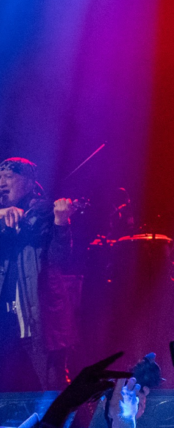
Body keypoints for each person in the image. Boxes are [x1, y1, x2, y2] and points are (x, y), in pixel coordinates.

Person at [0, 157, 77, 390]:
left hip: (39, 320)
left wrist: (61, 224)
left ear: (30, 182)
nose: (1, 182)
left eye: (9, 176)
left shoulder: (42, 212)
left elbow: (60, 260)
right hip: (5, 325)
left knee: (53, 391)